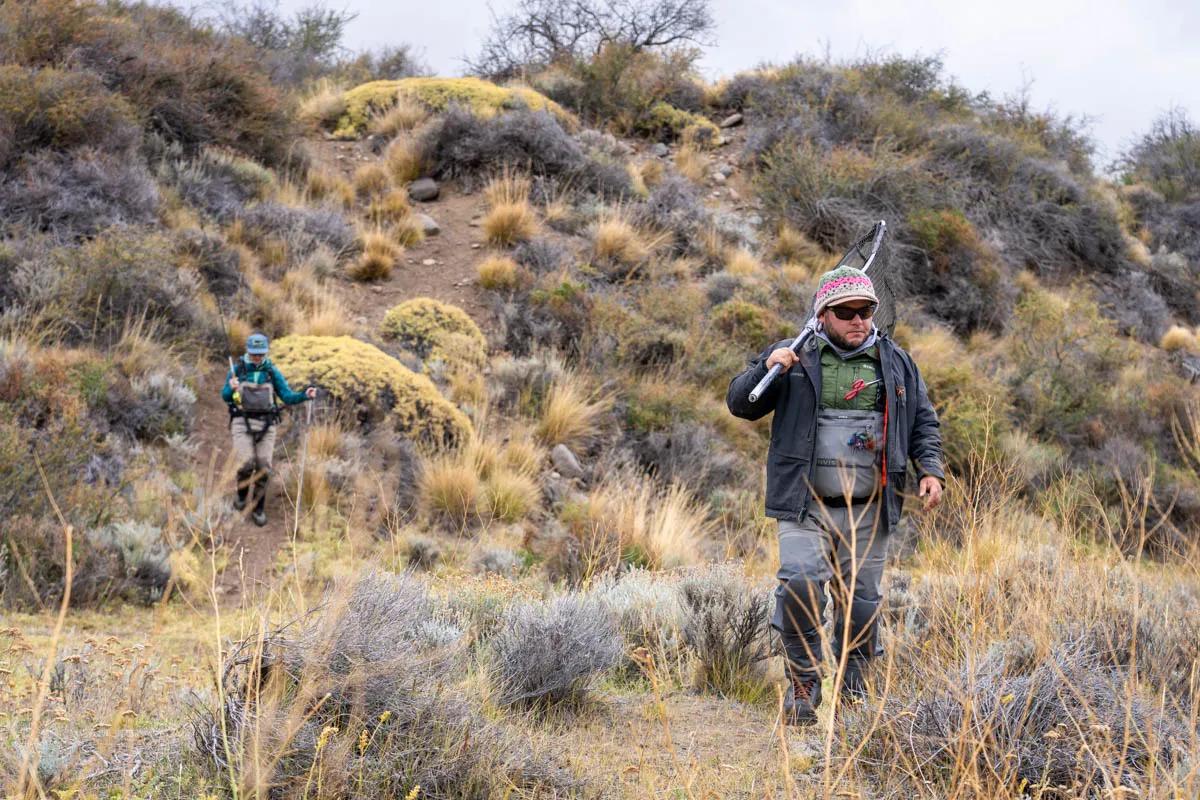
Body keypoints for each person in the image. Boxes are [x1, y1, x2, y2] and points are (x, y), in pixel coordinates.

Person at [725, 265, 944, 726]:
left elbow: (924, 420)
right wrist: (768, 369)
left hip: (870, 508)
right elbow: (740, 404)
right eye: (846, 312)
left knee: (862, 603)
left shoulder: (896, 362)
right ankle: (803, 685)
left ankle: (854, 689)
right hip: (805, 505)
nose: (858, 320)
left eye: (865, 311)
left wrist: (931, 471)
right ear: (822, 314)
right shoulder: (793, 356)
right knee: (801, 585)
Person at [221, 333, 316, 526]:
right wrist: (231, 388)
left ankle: (258, 508)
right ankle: (241, 496)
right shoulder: (237, 370)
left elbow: (287, 396)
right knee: (246, 464)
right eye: (254, 353)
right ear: (248, 351)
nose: (257, 357)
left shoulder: (272, 372)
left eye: (260, 354)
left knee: (263, 467)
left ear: (265, 353)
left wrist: (304, 395)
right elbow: (225, 396)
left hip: (267, 424)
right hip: (242, 422)